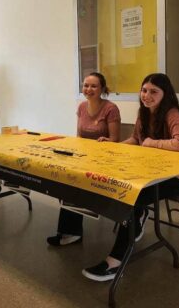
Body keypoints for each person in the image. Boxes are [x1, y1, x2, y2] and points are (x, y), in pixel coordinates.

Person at [82, 73, 179, 282]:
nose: (146, 95)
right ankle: (139, 216)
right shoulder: (144, 113)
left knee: (130, 198)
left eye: (153, 92)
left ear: (165, 94)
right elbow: (136, 139)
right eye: (144, 90)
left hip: (171, 179)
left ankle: (115, 261)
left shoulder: (172, 113)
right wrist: (113, 146)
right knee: (117, 188)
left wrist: (152, 143)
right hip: (146, 173)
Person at [47, 72, 121, 246]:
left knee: (75, 185)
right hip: (83, 157)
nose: (89, 89)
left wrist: (106, 142)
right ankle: (69, 229)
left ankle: (70, 232)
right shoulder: (81, 107)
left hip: (104, 161)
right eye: (86, 85)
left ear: (102, 88)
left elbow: (116, 140)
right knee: (65, 179)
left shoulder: (111, 108)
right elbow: (79, 135)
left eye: (94, 86)